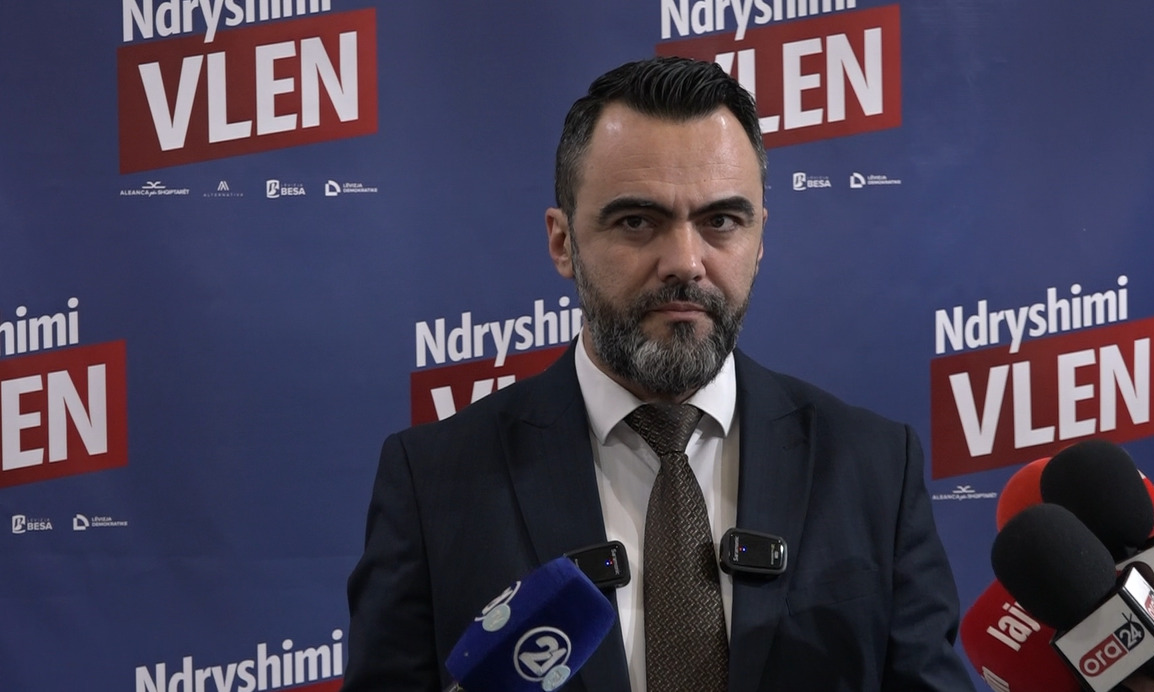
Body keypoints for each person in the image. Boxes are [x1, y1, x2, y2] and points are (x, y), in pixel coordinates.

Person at [342, 56, 973, 692]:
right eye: (637, 222)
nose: (685, 261)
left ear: (759, 239)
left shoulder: (874, 467)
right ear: (563, 242)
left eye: (720, 221)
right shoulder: (434, 483)